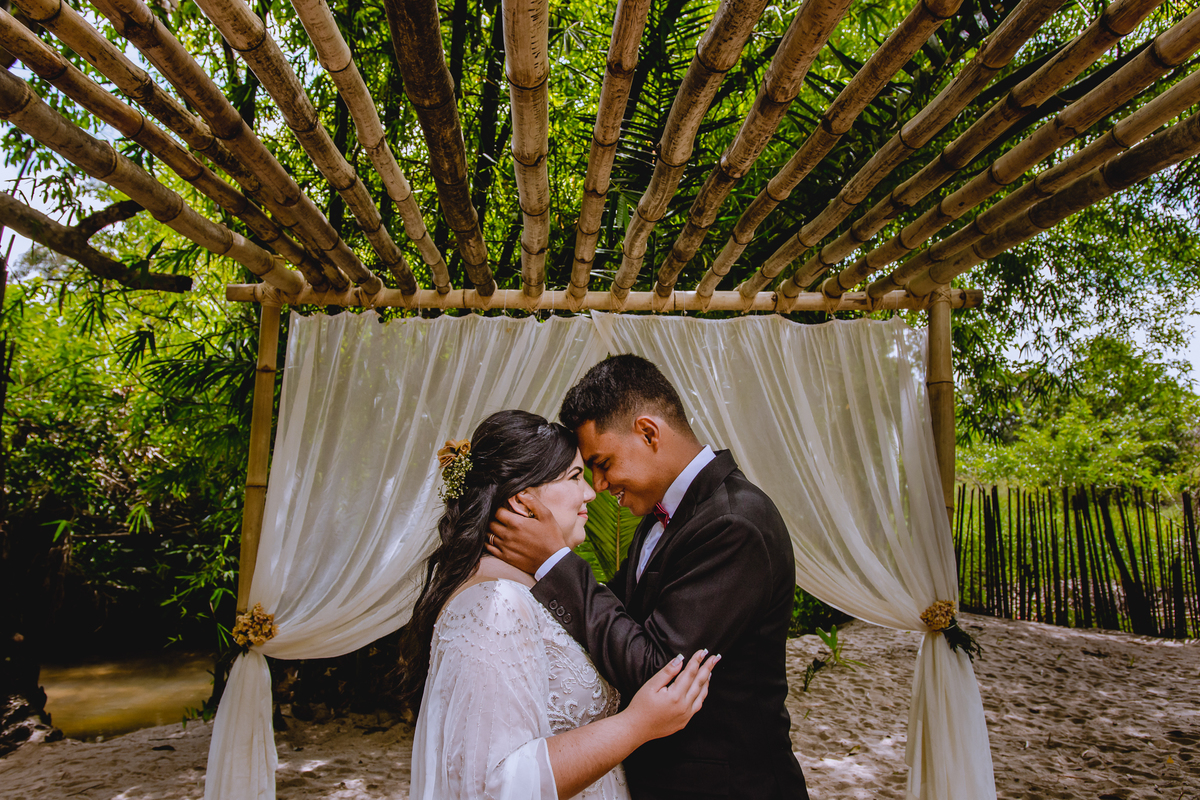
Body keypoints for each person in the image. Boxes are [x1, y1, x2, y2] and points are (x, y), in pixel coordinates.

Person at [488, 356, 808, 799]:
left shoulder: (736, 523)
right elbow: (615, 615)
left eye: (602, 463)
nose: (598, 485)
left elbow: (658, 668)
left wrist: (554, 561)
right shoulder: (665, 518)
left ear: (648, 432)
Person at [401, 409, 719, 800]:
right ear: (523, 503)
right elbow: (491, 783)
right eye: (574, 477)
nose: (591, 492)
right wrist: (636, 725)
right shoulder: (495, 605)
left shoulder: (532, 591)